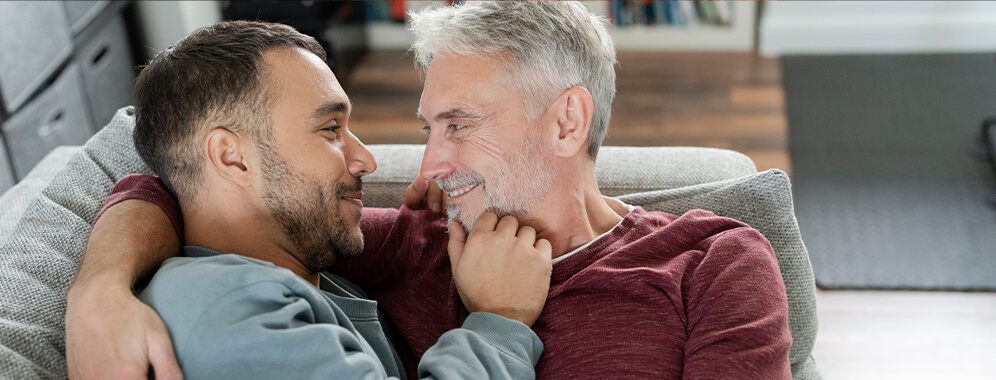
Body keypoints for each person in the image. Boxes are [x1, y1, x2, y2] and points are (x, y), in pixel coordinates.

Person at [66, 2, 793, 379]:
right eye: (428, 127)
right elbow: (162, 181)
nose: (428, 163)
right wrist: (98, 287)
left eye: (458, 124)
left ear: (567, 120)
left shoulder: (711, 260)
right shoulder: (410, 243)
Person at [65, 20, 553, 380]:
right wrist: (500, 320)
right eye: (329, 129)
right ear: (231, 158)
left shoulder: (294, 265)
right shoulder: (226, 311)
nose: (365, 159)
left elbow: (141, 187)